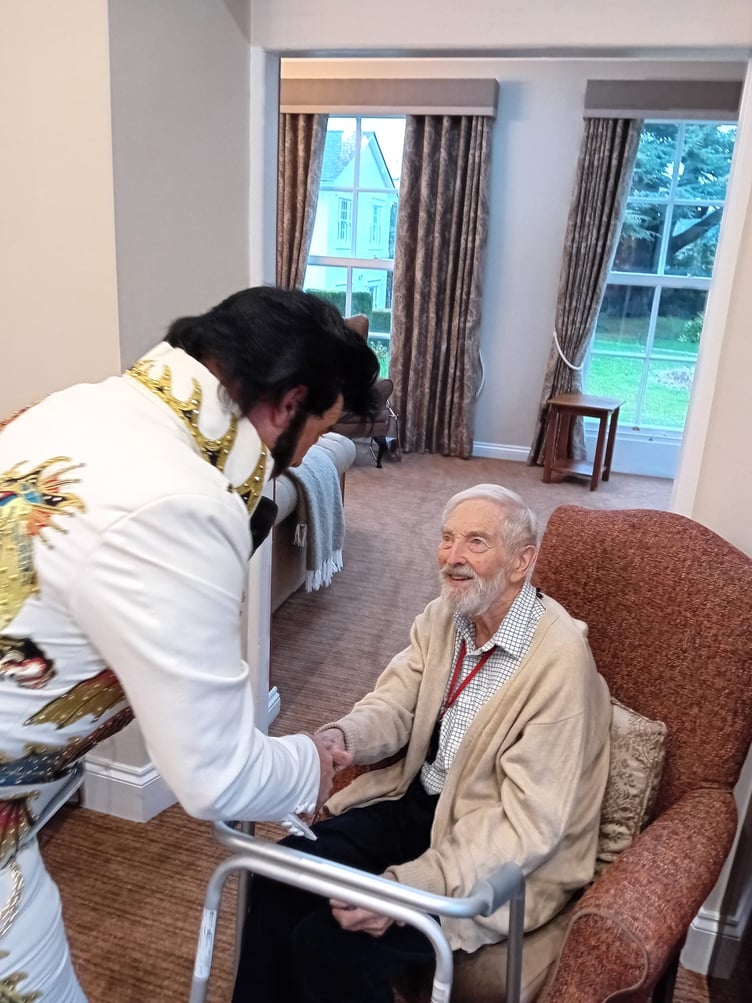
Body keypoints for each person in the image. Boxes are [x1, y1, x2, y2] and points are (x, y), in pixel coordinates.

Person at [0, 286, 379, 1002]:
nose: (301, 459)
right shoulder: (182, 501)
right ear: (288, 405)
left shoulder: (74, 406)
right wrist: (311, 764)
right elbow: (215, 775)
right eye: (318, 433)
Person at [232, 483, 612, 1003]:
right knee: (279, 878)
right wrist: (337, 740)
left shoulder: (560, 662)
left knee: (330, 946)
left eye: (476, 542)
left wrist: (406, 887)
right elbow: (395, 703)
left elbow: (527, 827)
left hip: (496, 851)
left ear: (521, 562)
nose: (453, 556)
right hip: (418, 806)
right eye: (447, 538)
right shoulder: (444, 616)